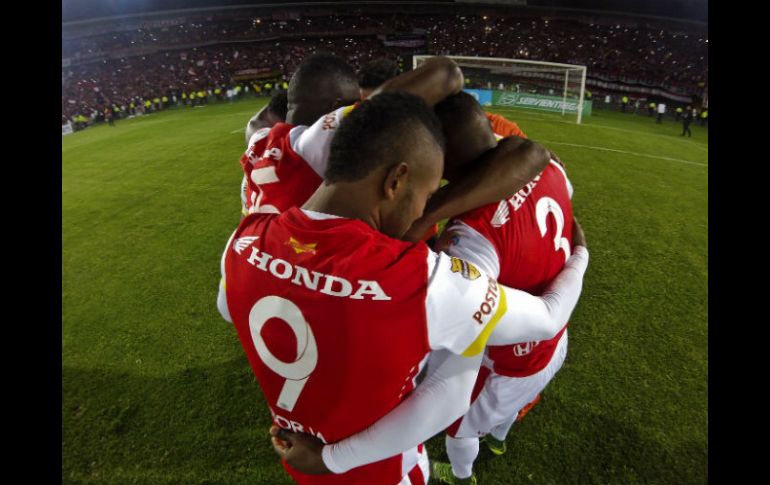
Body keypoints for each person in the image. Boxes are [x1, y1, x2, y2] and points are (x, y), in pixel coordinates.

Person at [218, 92, 590, 485]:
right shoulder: (423, 281)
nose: (422, 213)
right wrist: (580, 254)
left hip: (298, 459)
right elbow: (547, 319)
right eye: (428, 195)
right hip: (381, 473)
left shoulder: (245, 239)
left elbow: (228, 306)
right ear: (396, 181)